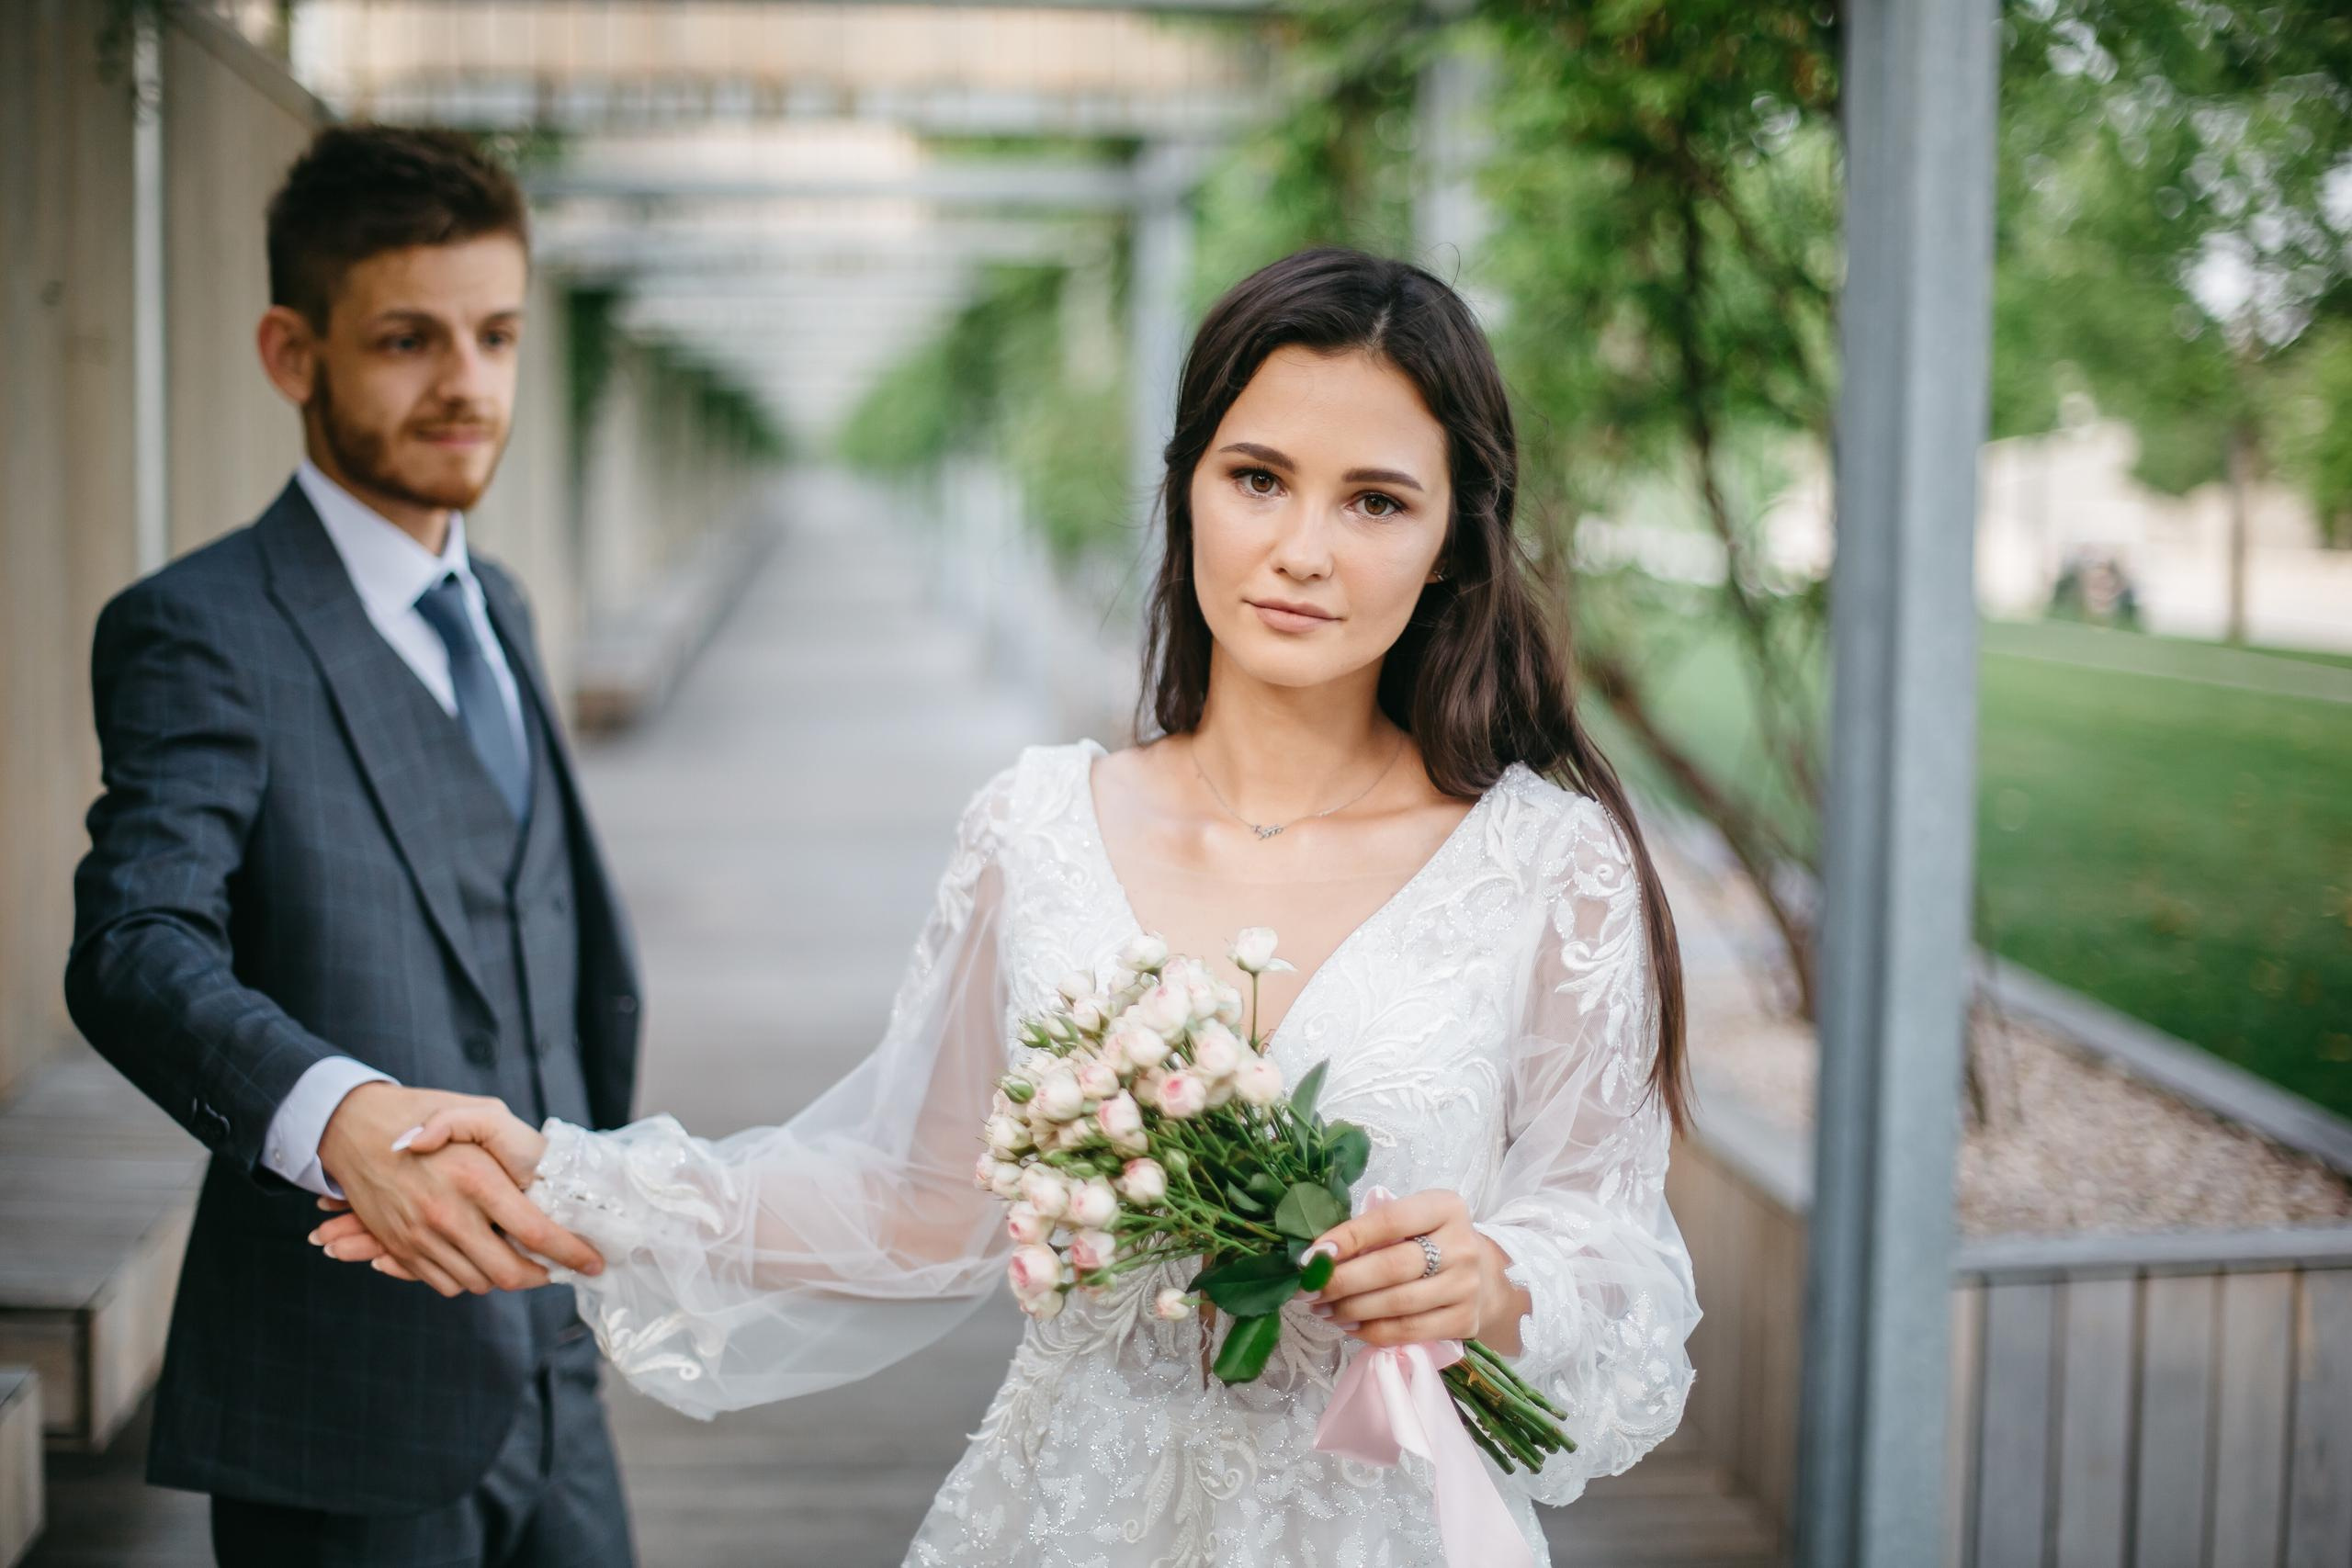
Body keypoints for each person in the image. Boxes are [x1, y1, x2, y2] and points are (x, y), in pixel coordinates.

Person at [316, 245, 1702, 1565]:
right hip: (1068, 1516)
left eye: (1377, 502)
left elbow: (1617, 1254)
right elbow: (914, 1201)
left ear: (1456, 540)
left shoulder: (1547, 868)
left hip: (1380, 1524)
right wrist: (556, 1181)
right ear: (1187, 489)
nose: (1303, 551)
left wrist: (1495, 1280)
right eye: (1260, 479)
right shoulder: (1040, 827)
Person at [65, 123, 640, 1565]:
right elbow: (135, 945)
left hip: (559, 1368)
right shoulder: (203, 629)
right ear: (291, 350)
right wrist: (331, 1114)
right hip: (345, 1401)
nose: (466, 385)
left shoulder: (498, 603)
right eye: (407, 340)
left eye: (497, 334)